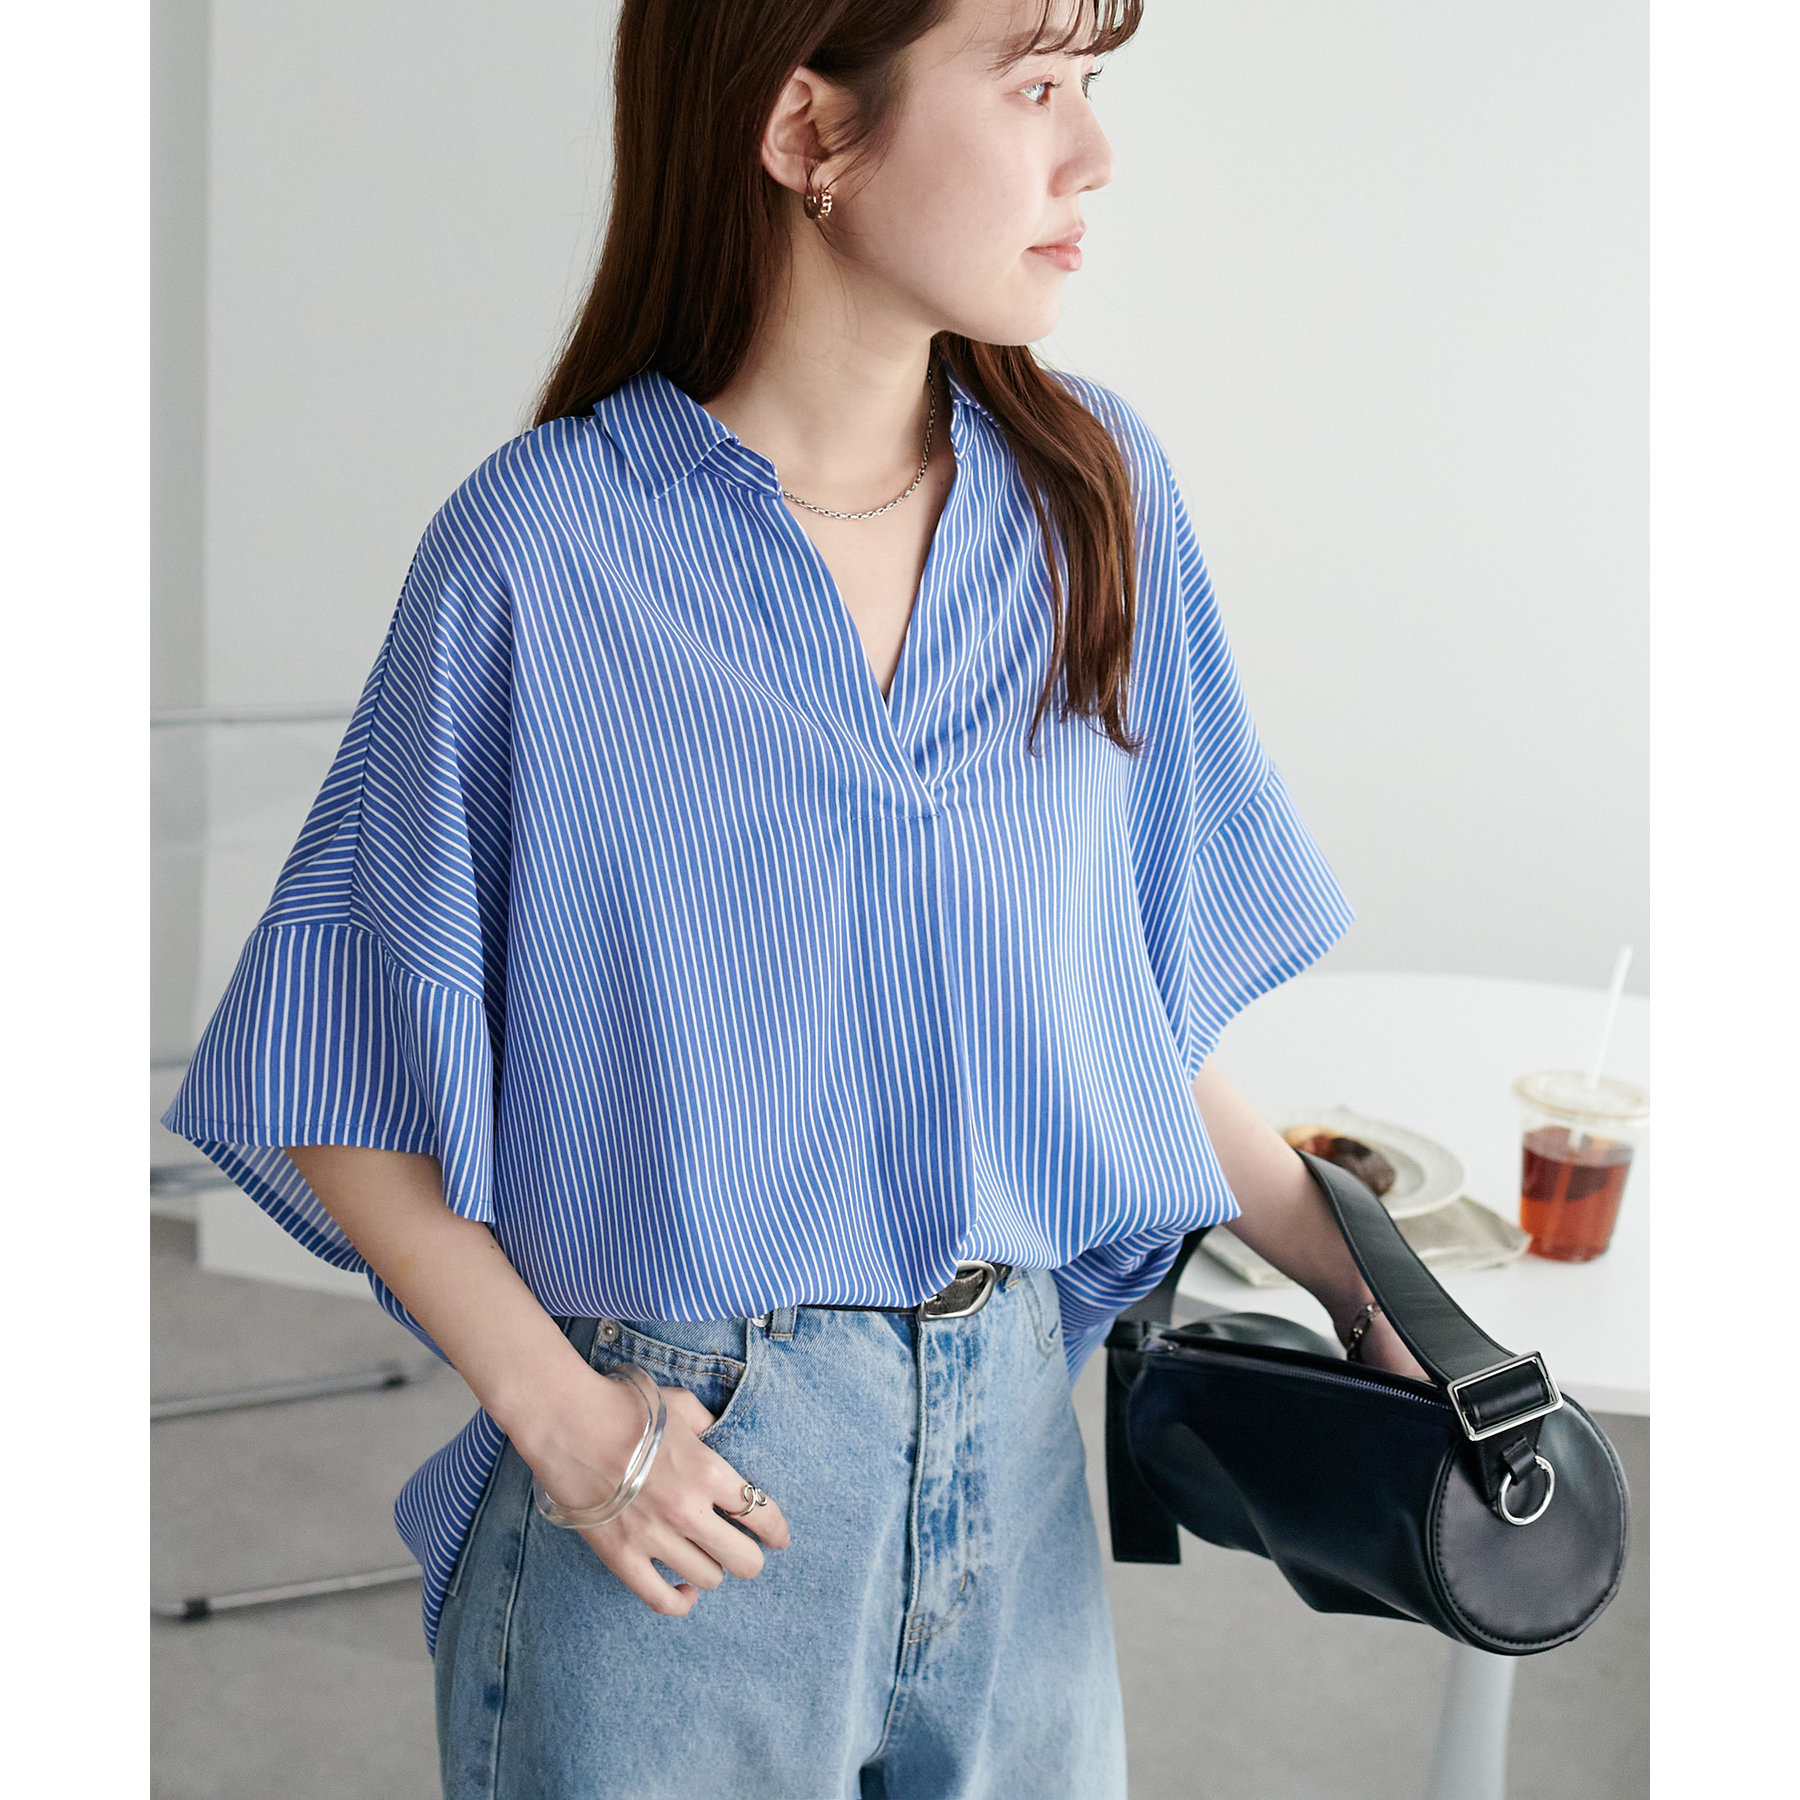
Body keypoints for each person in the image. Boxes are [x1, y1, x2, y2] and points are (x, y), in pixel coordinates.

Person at [164, 2, 1426, 1794]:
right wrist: (571, 1425)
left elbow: (1110, 1024)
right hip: (684, 1485)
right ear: (805, 132)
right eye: (1037, 86)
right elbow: (333, 1076)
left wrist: (1368, 1280)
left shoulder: (1094, 501)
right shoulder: (542, 556)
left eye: (1092, 88)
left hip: (1016, 1461)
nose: (1093, 156)